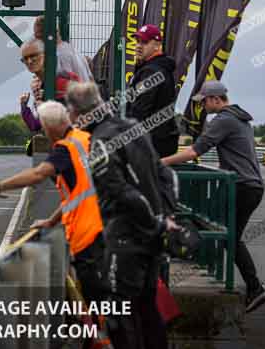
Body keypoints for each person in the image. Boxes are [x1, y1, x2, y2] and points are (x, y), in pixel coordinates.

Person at [66, 81, 178, 349]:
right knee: (147, 308)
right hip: (152, 236)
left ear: (79, 114)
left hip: (126, 238)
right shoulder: (132, 127)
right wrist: (165, 217)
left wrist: (152, 220)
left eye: (70, 111)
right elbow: (166, 175)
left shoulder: (100, 142)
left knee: (118, 314)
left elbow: (119, 191)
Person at [161, 80, 265, 313]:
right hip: (251, 186)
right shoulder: (240, 119)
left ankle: (255, 287)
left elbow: (193, 151)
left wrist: (160, 163)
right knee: (225, 235)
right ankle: (254, 287)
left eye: (204, 102)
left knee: (227, 236)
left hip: (242, 186)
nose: (202, 107)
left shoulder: (223, 120)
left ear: (216, 99)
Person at [0, 100, 107, 304]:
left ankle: (102, 333)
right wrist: (51, 222)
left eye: (43, 128)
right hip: (103, 226)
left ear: (49, 128)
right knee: (99, 296)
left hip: (88, 234)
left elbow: (37, 174)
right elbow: (78, 195)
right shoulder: (85, 139)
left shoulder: (65, 150)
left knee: (94, 297)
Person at [127, 24, 180, 158]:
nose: (138, 46)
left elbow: (140, 110)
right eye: (137, 41)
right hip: (160, 140)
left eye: (144, 42)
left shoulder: (152, 71)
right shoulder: (154, 67)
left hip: (152, 141)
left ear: (157, 45)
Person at [19, 39, 80, 112]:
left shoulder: (62, 81)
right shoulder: (41, 85)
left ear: (45, 55)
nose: (29, 61)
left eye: (33, 56)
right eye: (25, 59)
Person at [34, 16, 93, 82]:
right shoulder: (73, 50)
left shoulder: (58, 55)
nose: (36, 40)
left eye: (37, 36)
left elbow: (66, 84)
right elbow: (91, 79)